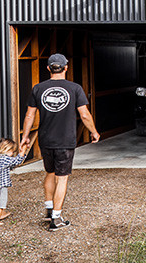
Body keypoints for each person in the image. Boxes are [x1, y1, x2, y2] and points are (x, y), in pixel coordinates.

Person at [19, 53, 100, 231]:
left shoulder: (38, 88)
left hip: (45, 139)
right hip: (65, 140)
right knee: (61, 178)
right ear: (66, 68)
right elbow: (84, 114)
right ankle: (56, 219)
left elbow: (29, 115)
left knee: (49, 173)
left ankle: (49, 210)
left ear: (48, 68)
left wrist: (25, 137)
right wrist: (93, 132)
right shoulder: (75, 88)